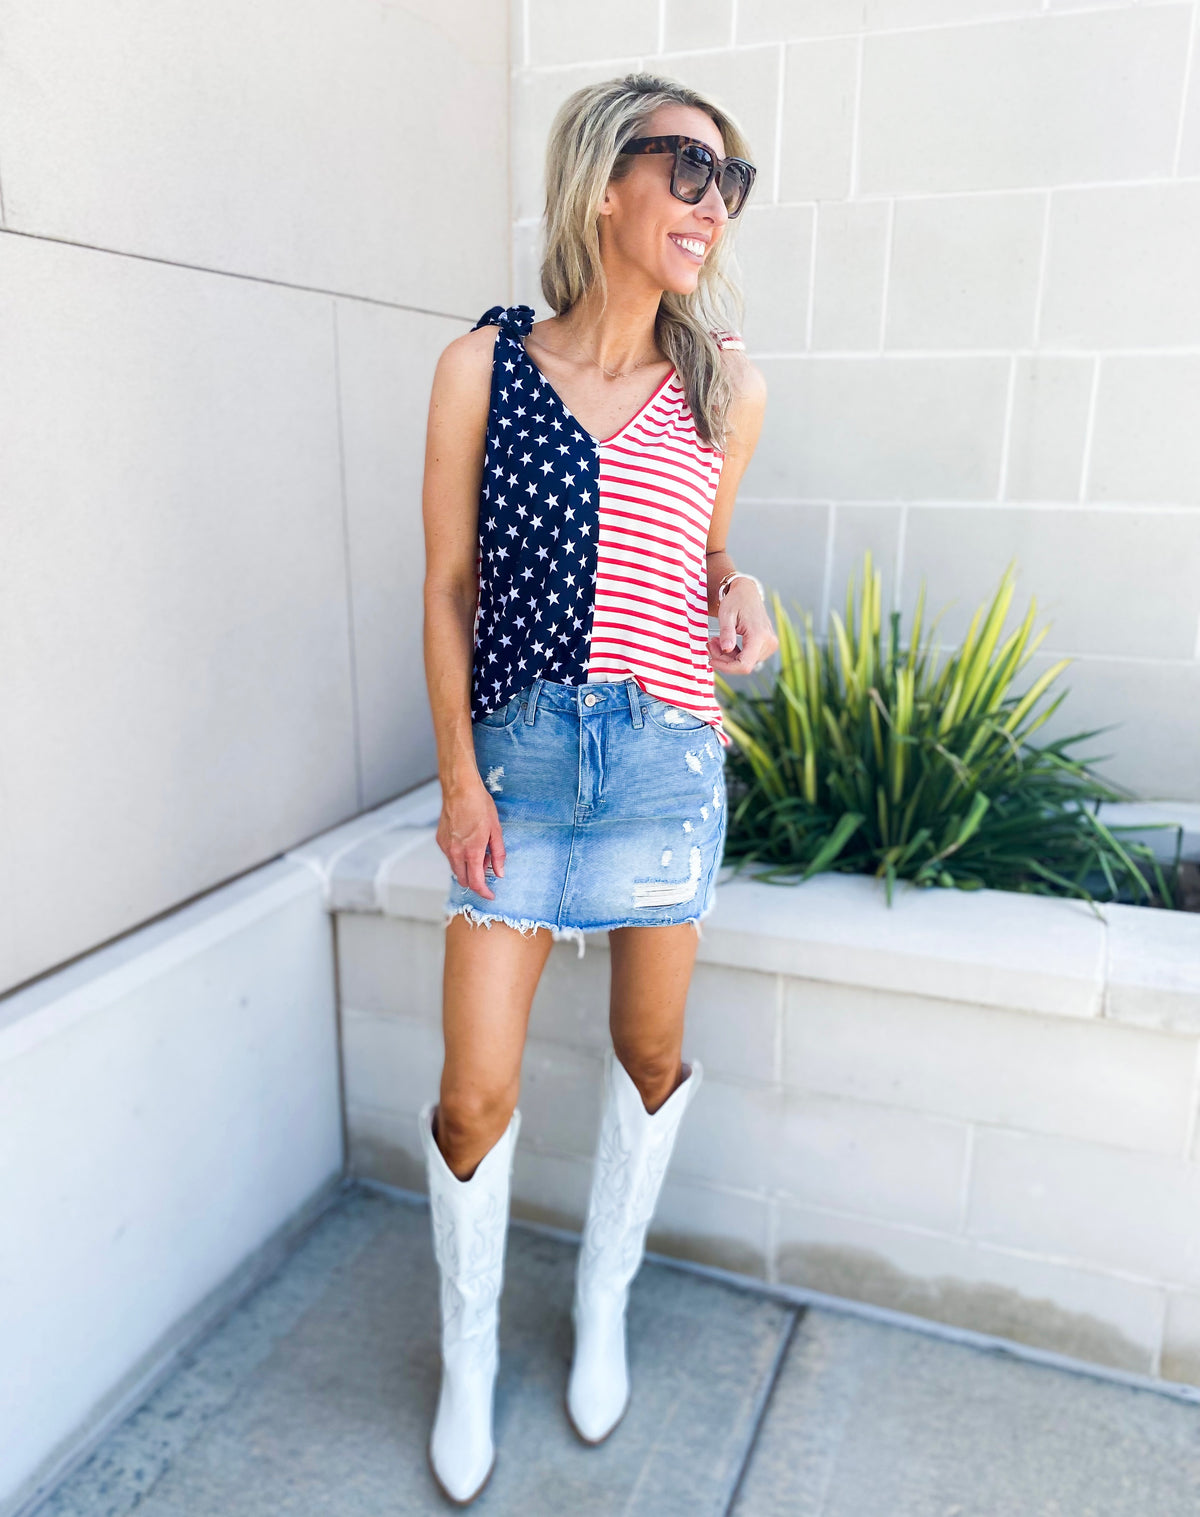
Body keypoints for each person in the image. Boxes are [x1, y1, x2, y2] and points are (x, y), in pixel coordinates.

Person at [417, 71, 778, 1505]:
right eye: (685, 167)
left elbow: (702, 562)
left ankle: (602, 1307)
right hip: (515, 762)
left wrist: (741, 590)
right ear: (602, 178)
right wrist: (457, 770)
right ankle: (466, 1355)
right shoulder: (481, 367)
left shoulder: (726, 383)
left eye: (729, 181)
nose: (710, 203)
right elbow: (449, 585)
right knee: (470, 1095)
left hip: (664, 762)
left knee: (645, 1057)